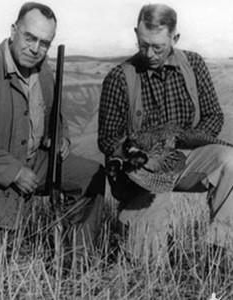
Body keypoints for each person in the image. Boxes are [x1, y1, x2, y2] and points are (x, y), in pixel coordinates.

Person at [0, 2, 105, 259]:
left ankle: (77, 260)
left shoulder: (43, 71)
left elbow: (55, 117)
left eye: (44, 43)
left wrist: (60, 138)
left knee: (90, 176)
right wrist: (14, 172)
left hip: (30, 160)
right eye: (30, 37)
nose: (36, 48)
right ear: (14, 30)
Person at [98, 3, 233, 250]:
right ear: (136, 34)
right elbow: (107, 139)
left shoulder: (194, 64)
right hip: (144, 168)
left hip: (187, 156)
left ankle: (222, 251)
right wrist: (138, 152)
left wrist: (185, 139)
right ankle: (143, 239)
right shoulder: (118, 78)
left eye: (158, 47)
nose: (149, 54)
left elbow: (214, 116)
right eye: (143, 45)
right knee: (144, 262)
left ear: (175, 38)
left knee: (231, 161)